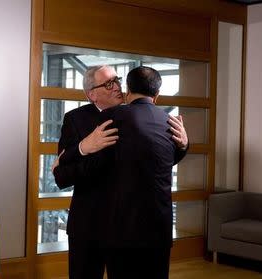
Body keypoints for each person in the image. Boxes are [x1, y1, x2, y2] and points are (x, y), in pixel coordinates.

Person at [53, 65, 188, 279]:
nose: (117, 87)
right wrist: (83, 147)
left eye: (117, 80)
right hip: (90, 224)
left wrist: (183, 145)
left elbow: (158, 161)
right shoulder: (75, 119)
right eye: (108, 84)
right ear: (92, 94)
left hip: (128, 228)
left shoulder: (136, 116)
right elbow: (62, 175)